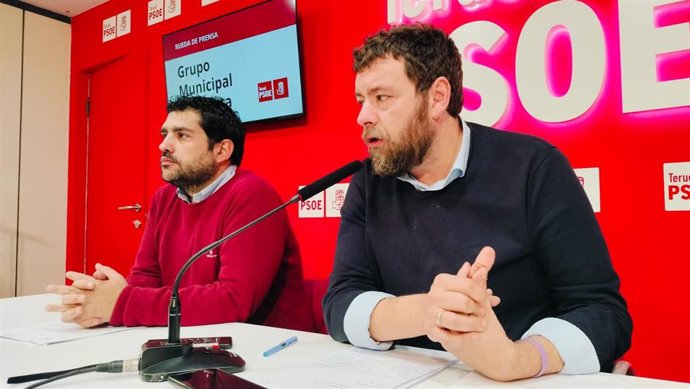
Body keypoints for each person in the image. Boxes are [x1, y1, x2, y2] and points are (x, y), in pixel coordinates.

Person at [322, 24, 632, 381]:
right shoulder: (368, 184)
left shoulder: (533, 167)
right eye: (361, 100)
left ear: (437, 97)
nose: (363, 117)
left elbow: (602, 312)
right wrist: (429, 310)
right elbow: (341, 302)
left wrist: (515, 359)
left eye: (382, 98)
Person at [46, 95, 315, 332]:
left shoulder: (253, 195)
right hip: (193, 339)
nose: (163, 145)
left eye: (182, 135)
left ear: (221, 150)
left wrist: (123, 302)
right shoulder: (165, 198)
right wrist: (103, 298)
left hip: (266, 348)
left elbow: (234, 300)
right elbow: (146, 277)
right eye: (165, 134)